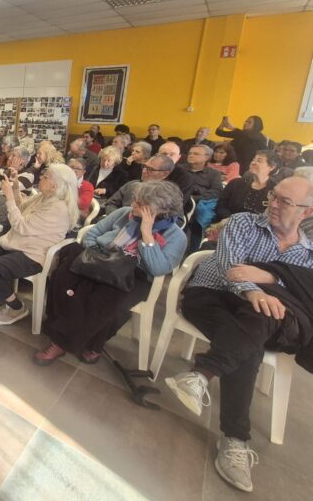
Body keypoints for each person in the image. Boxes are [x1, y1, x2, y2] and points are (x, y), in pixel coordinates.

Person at [164, 176, 313, 493]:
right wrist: (256, 290)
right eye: (274, 196)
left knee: (258, 323)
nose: (273, 203)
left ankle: (202, 373)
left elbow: (302, 294)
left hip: (261, 318)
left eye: (284, 201)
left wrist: (267, 281)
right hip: (211, 295)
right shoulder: (245, 222)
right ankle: (234, 440)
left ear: (306, 211)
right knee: (251, 340)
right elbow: (230, 268)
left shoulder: (308, 252)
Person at [37, 181, 187, 364]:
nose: (133, 205)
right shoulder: (124, 214)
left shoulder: (176, 236)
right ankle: (61, 338)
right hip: (100, 260)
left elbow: (158, 268)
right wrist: (101, 253)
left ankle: (90, 343)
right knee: (63, 279)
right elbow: (92, 234)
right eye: (135, 200)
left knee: (106, 302)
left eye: (140, 204)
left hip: (134, 275)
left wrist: (146, 234)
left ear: (160, 211)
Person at [0, 164, 80, 326]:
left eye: (45, 176)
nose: (40, 178)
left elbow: (21, 226)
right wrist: (15, 188)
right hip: (17, 244)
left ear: (55, 185)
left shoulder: (58, 208)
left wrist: (9, 198)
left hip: (34, 255)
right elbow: (20, 209)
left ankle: (16, 307)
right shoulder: (44, 197)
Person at [215, 150, 281, 222]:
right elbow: (221, 205)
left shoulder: (276, 189)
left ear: (271, 167)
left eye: (259, 161)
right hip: (229, 222)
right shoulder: (235, 183)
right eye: (253, 160)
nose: (253, 163)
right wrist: (231, 220)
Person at [103, 154, 175, 215]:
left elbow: (177, 221)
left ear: (164, 174)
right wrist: (116, 217)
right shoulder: (131, 184)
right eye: (144, 166)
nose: (143, 171)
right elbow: (111, 203)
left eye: (150, 169)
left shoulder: (169, 195)